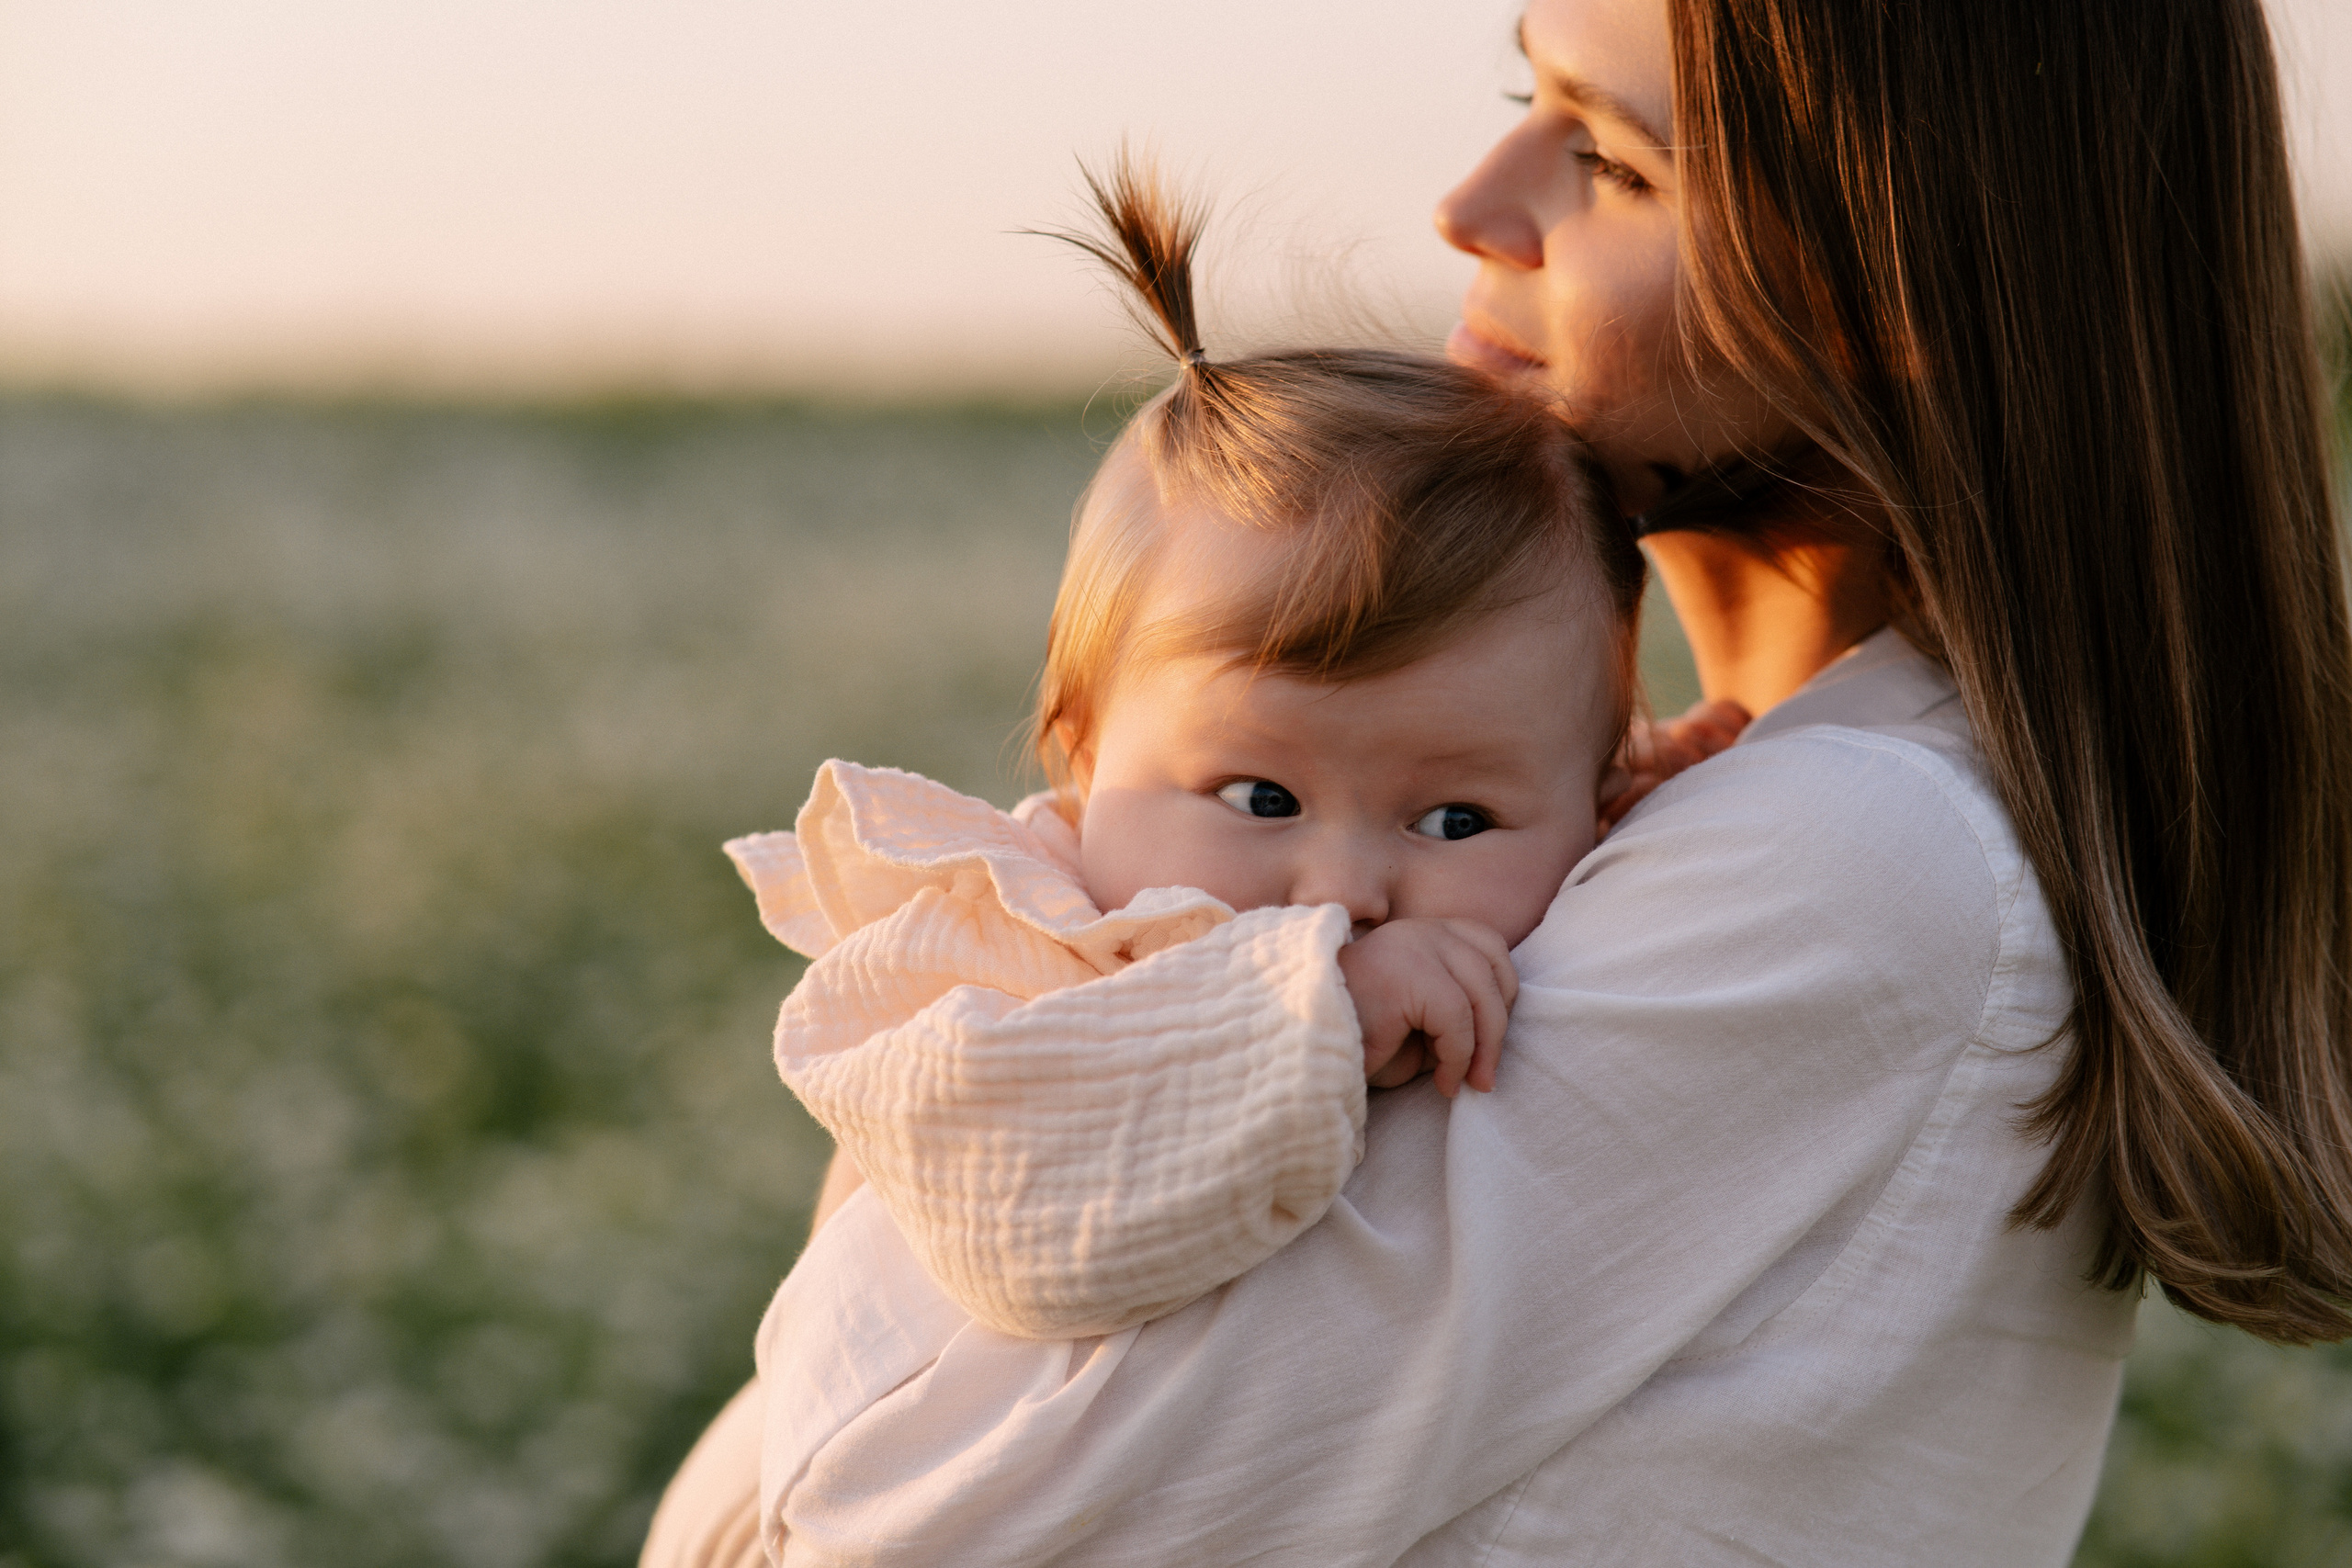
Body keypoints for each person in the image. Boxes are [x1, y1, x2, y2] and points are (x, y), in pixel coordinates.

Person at [643, 0, 2352, 1562]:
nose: (1473, 199)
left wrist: (946, 1082)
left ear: (1910, 271)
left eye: (1606, 158)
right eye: (1517, 96)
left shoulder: (1859, 861)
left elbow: (892, 1519)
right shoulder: (1726, 811)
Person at [725, 156, 1650, 1359]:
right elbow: (1029, 1216)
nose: (1347, 889)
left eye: (1457, 820)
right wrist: (1313, 1017)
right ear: (1080, 753)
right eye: (1262, 797)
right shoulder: (1002, 952)